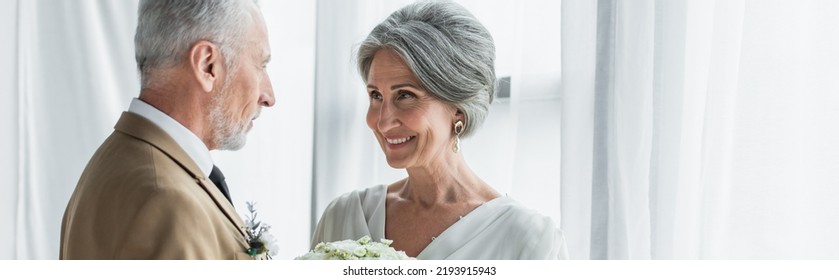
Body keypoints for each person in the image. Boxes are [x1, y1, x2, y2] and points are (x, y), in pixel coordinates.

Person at [310, 0, 568, 259]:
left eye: (405, 96)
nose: (382, 121)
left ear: (458, 106)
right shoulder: (341, 217)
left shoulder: (528, 242)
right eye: (376, 95)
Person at [60, 0, 275, 259]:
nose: (269, 96)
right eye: (260, 65)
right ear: (208, 65)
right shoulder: (169, 201)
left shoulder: (112, 162)